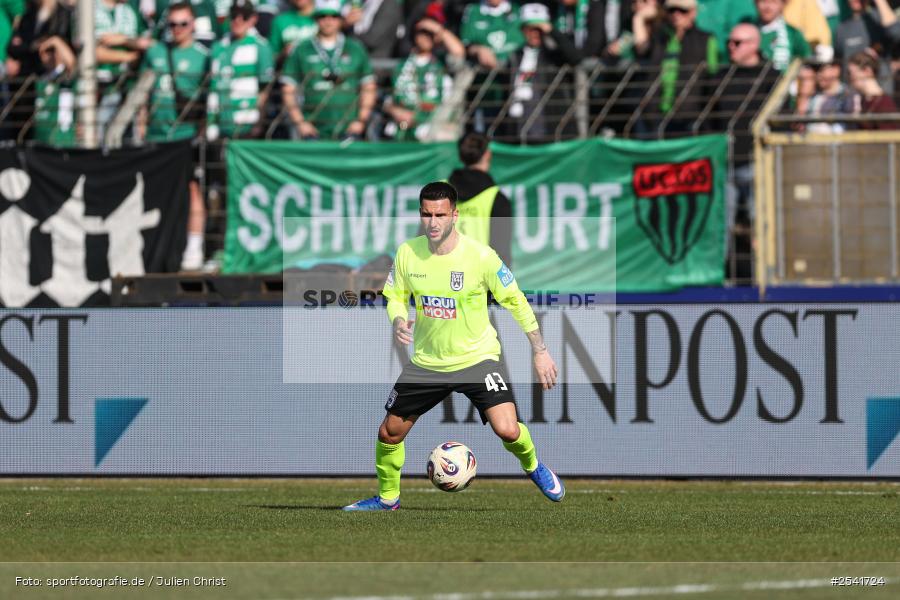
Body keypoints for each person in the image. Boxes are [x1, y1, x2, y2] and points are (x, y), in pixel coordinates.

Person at [343, 181, 564, 512]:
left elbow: (516, 301)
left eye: (440, 215)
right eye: (426, 214)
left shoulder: (481, 256)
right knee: (389, 433)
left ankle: (533, 466)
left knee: (507, 429)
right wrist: (398, 320)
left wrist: (540, 349)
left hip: (478, 359)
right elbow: (394, 296)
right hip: (428, 364)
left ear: (455, 215)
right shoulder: (408, 252)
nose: (433, 223)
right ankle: (388, 499)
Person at [139, 1, 210, 270]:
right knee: (154, 193)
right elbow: (143, 91)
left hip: (185, 136)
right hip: (157, 134)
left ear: (193, 25)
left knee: (192, 190)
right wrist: (142, 125)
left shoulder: (203, 56)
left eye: (183, 23)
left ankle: (193, 248)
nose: (177, 29)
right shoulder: (156, 51)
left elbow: (208, 98)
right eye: (172, 24)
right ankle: (157, 249)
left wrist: (201, 131)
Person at [280, 0, 376, 140]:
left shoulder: (355, 48)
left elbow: (369, 86)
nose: (328, 21)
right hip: (312, 129)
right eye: (322, 17)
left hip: (349, 128)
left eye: (334, 17)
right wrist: (300, 122)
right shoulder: (302, 49)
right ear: (316, 19)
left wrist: (360, 120)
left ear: (340, 20)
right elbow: (288, 89)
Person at [634, 0, 718, 132]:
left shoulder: (706, 39)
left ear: (693, 12)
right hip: (655, 115)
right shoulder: (660, 37)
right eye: (671, 10)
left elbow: (713, 76)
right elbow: (641, 48)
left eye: (682, 11)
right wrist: (638, 18)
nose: (676, 15)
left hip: (690, 118)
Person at [508, 3, 583, 141]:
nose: (535, 33)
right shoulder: (516, 55)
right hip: (523, 124)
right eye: (531, 29)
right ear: (523, 30)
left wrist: (551, 30)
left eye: (539, 30)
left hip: (553, 126)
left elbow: (576, 58)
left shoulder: (553, 53)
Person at [384, 17, 464, 140]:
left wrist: (437, 29)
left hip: (432, 128)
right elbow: (387, 99)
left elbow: (459, 52)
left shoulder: (441, 62)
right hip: (401, 128)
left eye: (431, 34)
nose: (426, 37)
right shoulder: (402, 65)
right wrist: (395, 111)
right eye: (422, 33)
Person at [207, 0, 274, 141]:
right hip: (220, 125)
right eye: (234, 15)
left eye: (244, 16)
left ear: (253, 19)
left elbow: (265, 90)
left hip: (248, 126)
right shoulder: (218, 47)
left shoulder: (261, 46)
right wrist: (210, 123)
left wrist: (259, 124)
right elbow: (213, 88)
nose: (238, 20)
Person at [447, 132, 513, 266]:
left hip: (440, 281)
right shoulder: (496, 199)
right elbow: (501, 255)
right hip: (479, 283)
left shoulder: (438, 191)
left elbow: (422, 242)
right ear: (488, 154)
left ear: (460, 156)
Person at [834, 0, 900, 92]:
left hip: (880, 94)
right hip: (853, 96)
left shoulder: (878, 19)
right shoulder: (842, 28)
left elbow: (896, 33)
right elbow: (838, 63)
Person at [460, 0, 524, 69]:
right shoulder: (473, 10)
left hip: (514, 64)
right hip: (480, 64)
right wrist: (479, 49)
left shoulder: (518, 9)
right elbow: (465, 43)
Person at [848, 49, 899, 129]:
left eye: (851, 73)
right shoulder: (863, 101)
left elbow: (890, 139)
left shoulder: (885, 103)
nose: (849, 78)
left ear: (867, 71)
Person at [755, 0, 811, 70]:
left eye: (773, 2)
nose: (767, 7)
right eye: (763, 1)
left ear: (783, 5)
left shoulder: (792, 32)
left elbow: (805, 59)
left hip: (784, 79)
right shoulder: (747, 32)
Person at [805, 60, 854, 133]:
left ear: (836, 70)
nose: (818, 74)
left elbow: (850, 126)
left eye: (821, 69)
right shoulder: (814, 95)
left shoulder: (848, 95)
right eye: (816, 70)